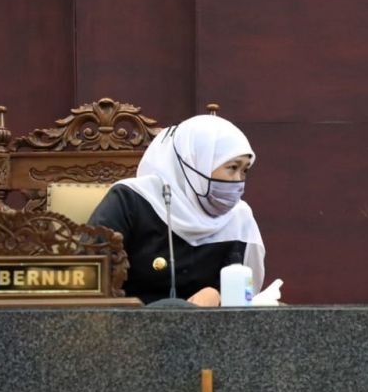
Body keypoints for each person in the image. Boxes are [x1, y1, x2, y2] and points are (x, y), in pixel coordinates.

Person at [88, 114, 264, 306]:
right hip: (130, 320)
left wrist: (219, 295)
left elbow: (245, 296)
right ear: (197, 162)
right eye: (232, 167)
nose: (238, 180)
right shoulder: (130, 199)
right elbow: (89, 273)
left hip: (210, 324)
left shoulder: (239, 217)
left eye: (245, 170)